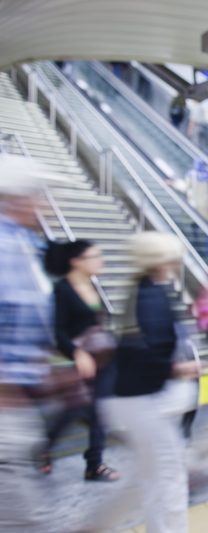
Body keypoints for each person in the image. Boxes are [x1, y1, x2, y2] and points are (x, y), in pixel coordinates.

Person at [93, 232, 199, 533]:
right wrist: (179, 369)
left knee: (154, 476)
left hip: (132, 398)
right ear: (161, 260)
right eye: (173, 256)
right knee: (170, 478)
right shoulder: (152, 295)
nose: (178, 262)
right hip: (145, 400)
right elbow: (148, 352)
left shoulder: (140, 288)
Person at [0, 155, 56, 532]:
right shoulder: (7, 248)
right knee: (28, 519)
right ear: (16, 199)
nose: (49, 204)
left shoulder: (25, 245)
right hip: (6, 404)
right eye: (41, 194)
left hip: (18, 401)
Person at [41, 240, 119, 482]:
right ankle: (43, 450)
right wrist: (77, 352)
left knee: (100, 411)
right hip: (76, 360)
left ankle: (94, 464)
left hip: (103, 359)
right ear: (76, 261)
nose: (101, 260)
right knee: (73, 409)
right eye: (94, 256)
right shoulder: (62, 290)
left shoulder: (94, 284)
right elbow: (59, 331)